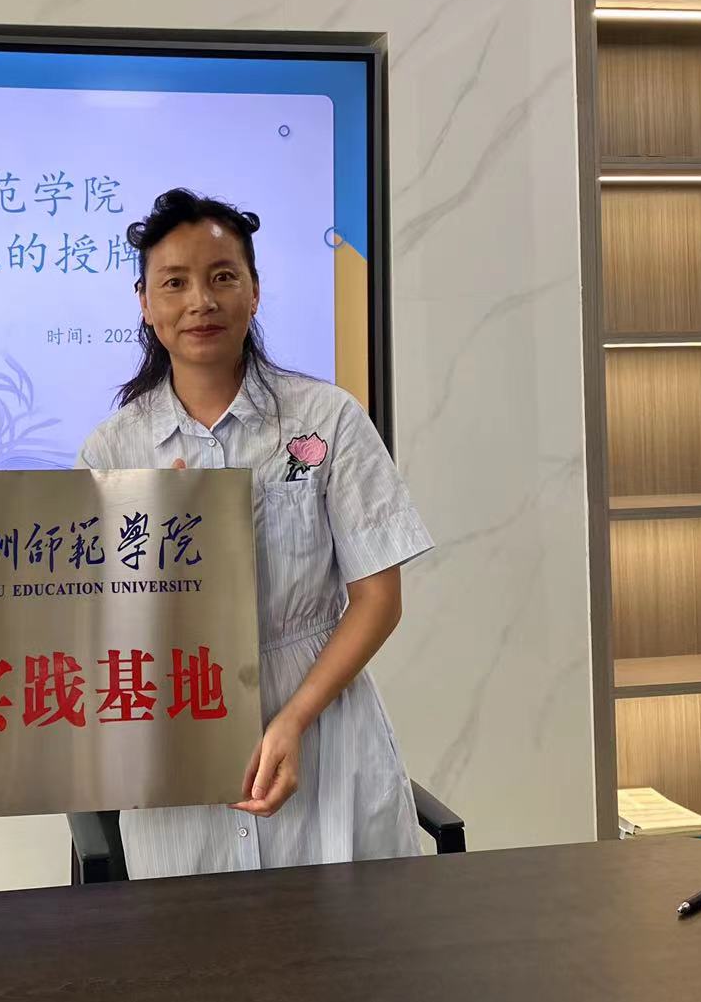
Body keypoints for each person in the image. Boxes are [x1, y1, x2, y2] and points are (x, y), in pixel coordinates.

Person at [76, 188, 434, 877]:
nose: (200, 301)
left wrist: (293, 718)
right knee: (196, 938)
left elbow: (379, 599)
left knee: (347, 935)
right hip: (178, 735)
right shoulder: (112, 451)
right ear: (144, 303)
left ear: (255, 292)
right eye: (174, 283)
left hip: (326, 729)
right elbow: (95, 620)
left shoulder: (328, 419)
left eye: (222, 277)